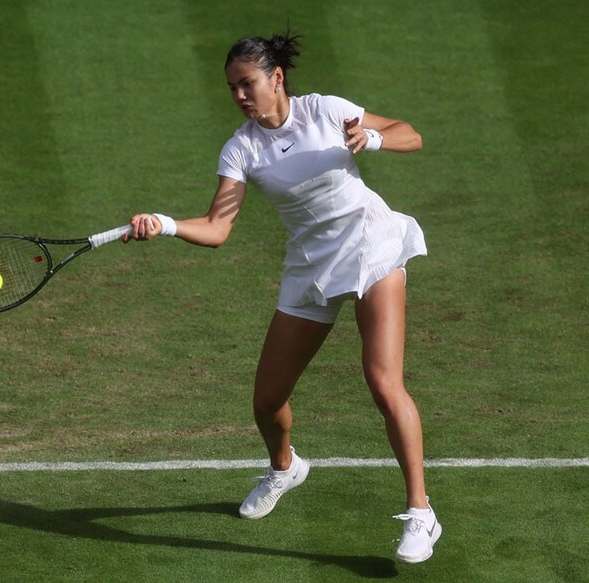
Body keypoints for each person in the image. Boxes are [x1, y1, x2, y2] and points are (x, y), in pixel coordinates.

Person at [123, 32, 442, 563]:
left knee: (383, 381)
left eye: (247, 84)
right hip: (310, 267)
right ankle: (284, 467)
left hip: (371, 247)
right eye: (232, 89)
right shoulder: (241, 147)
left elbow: (411, 134)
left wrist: (375, 139)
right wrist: (166, 223)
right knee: (267, 400)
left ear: (277, 79)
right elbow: (218, 227)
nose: (240, 96)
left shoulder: (326, 111)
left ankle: (420, 513)